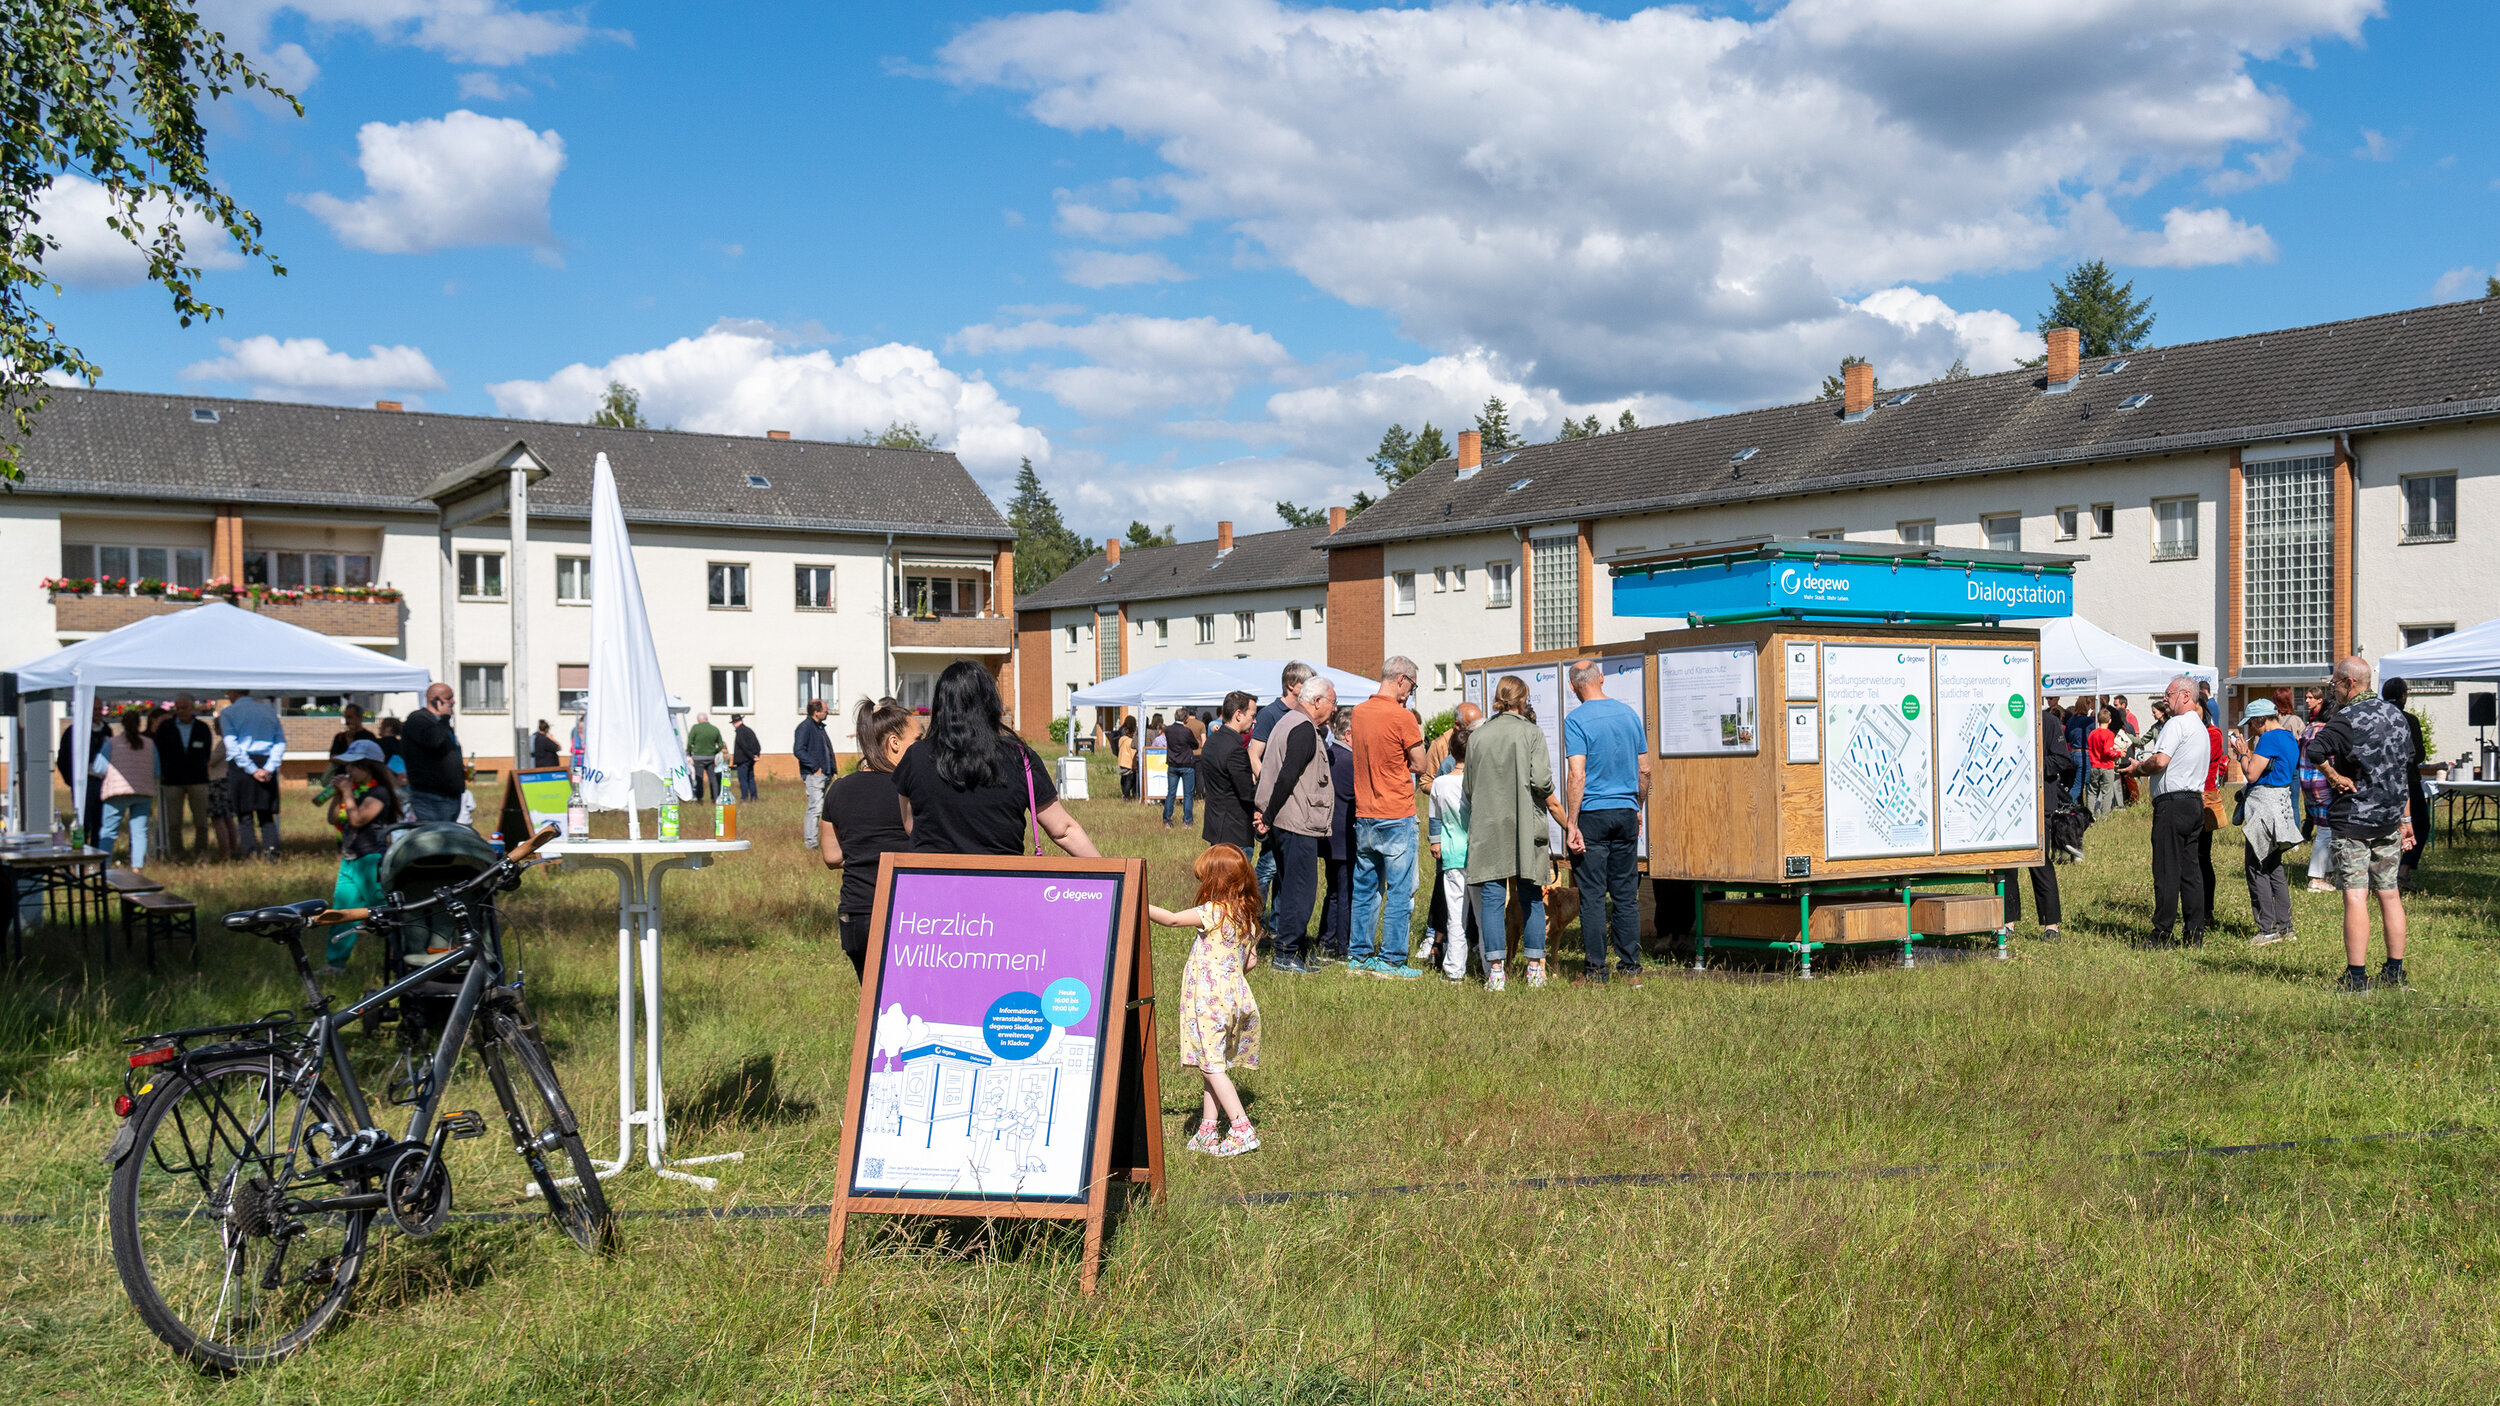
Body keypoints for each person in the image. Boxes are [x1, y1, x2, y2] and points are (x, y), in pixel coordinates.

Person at [895, 661, 1100, 858]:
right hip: (1000, 885)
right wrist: (1113, 876)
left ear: (941, 706)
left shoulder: (915, 756)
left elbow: (910, 825)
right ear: (990, 704)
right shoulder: (1020, 758)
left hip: (930, 884)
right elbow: (1063, 830)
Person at [2305, 656, 2414, 991]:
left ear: (2349, 683)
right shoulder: (2396, 715)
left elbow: (2315, 750)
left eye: (2335, 684)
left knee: (2355, 896)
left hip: (2354, 820)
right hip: (2390, 817)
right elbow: (2403, 769)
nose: (2333, 690)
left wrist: (2335, 777)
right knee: (2390, 893)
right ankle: (2394, 972)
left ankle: (2356, 977)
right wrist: (2406, 817)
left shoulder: (2346, 719)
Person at [1147, 843, 1263, 1158]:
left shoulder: (1213, 911)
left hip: (1209, 1002)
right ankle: (1208, 1130)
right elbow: (1249, 963)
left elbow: (1170, 919)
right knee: (1211, 1063)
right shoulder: (1245, 917)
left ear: (1216, 881)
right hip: (1234, 1000)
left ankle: (1241, 1128)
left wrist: (1136, 901)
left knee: (1212, 1067)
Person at [1466, 675, 1567, 991]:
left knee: (1493, 898)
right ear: (1522, 699)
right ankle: (1535, 970)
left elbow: (1469, 788)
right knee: (1532, 896)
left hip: (1488, 826)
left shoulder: (1478, 737)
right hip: (1525, 824)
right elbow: (1541, 782)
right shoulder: (1532, 733)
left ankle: (1496, 972)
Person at [1561, 658, 1651, 985]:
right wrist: (1637, 805)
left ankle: (1596, 971)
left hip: (1592, 817)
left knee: (1593, 896)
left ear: (1573, 688)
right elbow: (1645, 770)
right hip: (1626, 812)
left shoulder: (1576, 720)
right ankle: (1631, 971)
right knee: (1626, 895)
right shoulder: (1629, 715)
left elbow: (1577, 774)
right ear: (1601, 678)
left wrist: (1572, 823)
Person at [820, 699, 921, 979]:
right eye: (918, 739)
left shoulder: (838, 789)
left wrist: (864, 852)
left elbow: (831, 856)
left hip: (855, 916)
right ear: (894, 743)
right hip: (901, 912)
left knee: (873, 1005)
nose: (924, 747)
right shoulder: (911, 789)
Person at [1347, 656, 1428, 979]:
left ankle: (1359, 955)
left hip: (1364, 812)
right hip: (1396, 813)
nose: (1410, 692)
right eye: (1412, 685)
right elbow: (1420, 765)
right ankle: (1392, 960)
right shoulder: (1402, 716)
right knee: (1398, 889)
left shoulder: (1358, 713)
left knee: (1365, 888)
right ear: (1402, 679)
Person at [1252, 673, 1337, 974]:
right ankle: (1286, 955)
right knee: (1300, 890)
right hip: (1296, 821)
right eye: (1332, 703)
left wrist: (1266, 815)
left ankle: (1293, 951)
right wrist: (1269, 815)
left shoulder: (1285, 721)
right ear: (1316, 701)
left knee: (1289, 887)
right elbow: (1287, 776)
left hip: (1286, 820)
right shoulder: (1302, 728)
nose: (1334, 709)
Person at [2126, 678, 2211, 946]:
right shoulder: (2201, 728)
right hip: (2194, 802)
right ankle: (2194, 934)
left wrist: (2138, 768)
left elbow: (2160, 760)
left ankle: (2162, 934)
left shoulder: (2176, 724)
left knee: (2166, 871)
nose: (2166, 700)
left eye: (2169, 694)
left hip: (2172, 804)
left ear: (2186, 695)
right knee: (2191, 871)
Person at [314, 741, 401, 976]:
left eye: (353, 767)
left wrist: (347, 793)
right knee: (342, 912)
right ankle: (335, 964)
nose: (348, 772)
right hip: (350, 859)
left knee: (385, 913)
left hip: (371, 860)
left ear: (369, 767)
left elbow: (359, 819)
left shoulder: (378, 793)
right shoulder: (350, 792)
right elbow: (334, 819)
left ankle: (404, 958)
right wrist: (337, 795)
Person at [2227, 699, 2303, 946]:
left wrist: (2242, 755)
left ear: (2261, 720)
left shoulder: (2269, 739)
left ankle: (2267, 930)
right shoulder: (2290, 737)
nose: (2250, 729)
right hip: (2280, 805)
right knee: (2274, 868)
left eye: (2251, 724)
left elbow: (2251, 774)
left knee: (2256, 867)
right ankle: (2285, 928)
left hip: (2264, 806)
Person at [1248, 661, 1318, 928]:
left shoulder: (1306, 716)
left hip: (1296, 808)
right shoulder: (1270, 714)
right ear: (1292, 685)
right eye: (1306, 684)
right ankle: (1255, 922)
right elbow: (1254, 754)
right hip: (1274, 805)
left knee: (1285, 871)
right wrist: (1269, 788)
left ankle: (1278, 924)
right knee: (1267, 867)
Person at [2000, 696, 2066, 941]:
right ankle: (2007, 923)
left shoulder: (2048, 722)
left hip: (2039, 806)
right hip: (2007, 805)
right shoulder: (2004, 721)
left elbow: (2061, 759)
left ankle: (2051, 925)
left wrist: (2031, 764)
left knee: (2040, 864)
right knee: (2007, 865)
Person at [1426, 723, 1474, 981]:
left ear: (1451, 753)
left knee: (1456, 915)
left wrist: (1436, 842)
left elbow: (1434, 818)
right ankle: (1492, 968)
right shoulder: (1477, 781)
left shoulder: (1440, 783)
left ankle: (1454, 969)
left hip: (1452, 854)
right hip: (1478, 853)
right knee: (1482, 913)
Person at [219, 688, 288, 857]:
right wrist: (269, 767)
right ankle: (271, 853)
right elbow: (279, 740)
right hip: (265, 762)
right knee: (266, 815)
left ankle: (249, 855)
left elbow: (231, 743)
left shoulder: (228, 712)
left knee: (244, 815)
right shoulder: (268, 711)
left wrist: (251, 769)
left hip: (242, 765)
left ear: (233, 693)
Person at [150, 693, 216, 861]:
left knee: (201, 821)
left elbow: (206, 752)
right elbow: (158, 751)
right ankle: (176, 856)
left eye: (184, 708)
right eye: (177, 708)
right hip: (172, 781)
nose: (180, 711)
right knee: (174, 822)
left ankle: (200, 854)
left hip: (198, 780)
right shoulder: (166, 727)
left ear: (192, 707)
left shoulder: (202, 727)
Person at [94, 707, 158, 868]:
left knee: (109, 830)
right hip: (143, 791)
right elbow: (157, 770)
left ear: (122, 724)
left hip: (117, 791)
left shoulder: (111, 743)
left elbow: (98, 768)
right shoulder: (150, 744)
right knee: (139, 832)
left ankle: (105, 866)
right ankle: (137, 867)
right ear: (139, 724)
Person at [1317, 709, 1356, 964]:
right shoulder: (1348, 760)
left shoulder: (1330, 755)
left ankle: (1326, 942)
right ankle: (1342, 946)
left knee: (1334, 891)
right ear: (1349, 734)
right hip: (1344, 836)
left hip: (1330, 835)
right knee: (1345, 892)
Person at [1196, 692, 1259, 850]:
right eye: (1252, 715)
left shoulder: (1212, 742)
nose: (1254, 720)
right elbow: (1247, 793)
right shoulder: (1235, 749)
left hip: (1216, 827)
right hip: (1235, 832)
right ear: (1238, 714)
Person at [2383, 678, 2431, 888]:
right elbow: (2418, 755)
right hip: (2408, 781)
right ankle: (2403, 871)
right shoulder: (2409, 719)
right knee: (2419, 825)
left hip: (2381, 781)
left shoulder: (2379, 718)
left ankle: (2383, 872)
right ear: (2404, 695)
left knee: (2386, 826)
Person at [398, 684, 467, 825]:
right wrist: (444, 718)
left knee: (447, 840)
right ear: (435, 700)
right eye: (448, 698)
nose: (453, 702)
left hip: (450, 795)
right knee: (435, 840)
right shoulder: (418, 719)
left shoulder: (441, 724)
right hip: (430, 797)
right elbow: (434, 742)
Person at [2299, 688, 2340, 891]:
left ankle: (2329, 873)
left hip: (2306, 784)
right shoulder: (2329, 731)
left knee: (2327, 828)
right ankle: (2316, 879)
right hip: (2323, 784)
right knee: (2325, 830)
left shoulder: (2309, 728)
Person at [794, 698, 836, 846]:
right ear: (816, 712)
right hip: (814, 775)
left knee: (822, 808)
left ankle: (820, 841)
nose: (828, 713)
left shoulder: (819, 727)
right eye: (825, 711)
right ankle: (811, 843)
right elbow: (798, 750)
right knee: (815, 808)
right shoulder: (805, 727)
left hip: (825, 773)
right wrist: (815, 767)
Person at [1162, 707, 1200, 828]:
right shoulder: (1186, 731)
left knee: (1171, 793)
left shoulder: (1168, 730)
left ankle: (1167, 820)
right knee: (1188, 794)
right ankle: (1187, 821)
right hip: (1186, 765)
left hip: (1172, 765)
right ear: (1185, 718)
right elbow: (1195, 745)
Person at [2084, 705, 2124, 818]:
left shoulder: (2092, 733)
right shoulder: (2109, 734)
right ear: (2110, 720)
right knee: (2107, 792)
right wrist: (2119, 753)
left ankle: (2089, 815)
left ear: (2097, 720)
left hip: (2094, 765)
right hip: (2106, 766)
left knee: (2092, 791)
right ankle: (2105, 817)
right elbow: (2108, 751)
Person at [684, 712, 724, 801]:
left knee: (699, 778)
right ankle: (715, 797)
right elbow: (721, 744)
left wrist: (691, 754)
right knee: (712, 778)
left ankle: (700, 798)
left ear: (699, 720)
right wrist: (714, 751)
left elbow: (689, 743)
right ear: (707, 719)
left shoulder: (695, 728)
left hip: (698, 757)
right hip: (710, 757)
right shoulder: (714, 729)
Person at [730, 714, 761, 799]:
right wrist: (756, 755)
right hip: (751, 760)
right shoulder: (749, 730)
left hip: (743, 759)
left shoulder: (740, 732)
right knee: (751, 779)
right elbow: (757, 745)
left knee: (743, 780)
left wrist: (751, 755)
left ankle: (744, 798)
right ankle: (754, 797)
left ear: (734, 723)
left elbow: (743, 746)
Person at [1116, 718, 1140, 800]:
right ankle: (1126, 795)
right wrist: (1135, 766)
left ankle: (1124, 793)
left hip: (1121, 762)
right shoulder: (1131, 742)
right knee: (1130, 780)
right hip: (1129, 763)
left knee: (1123, 779)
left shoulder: (1121, 739)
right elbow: (1133, 754)